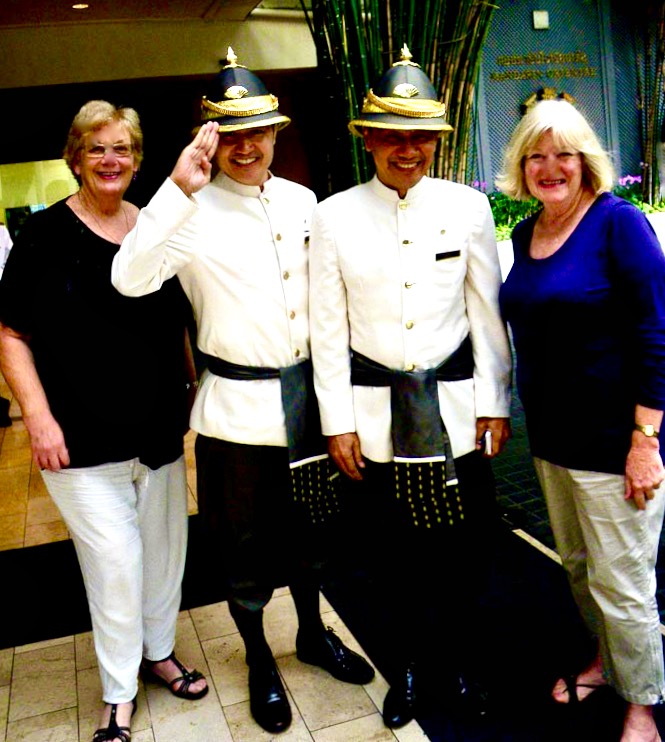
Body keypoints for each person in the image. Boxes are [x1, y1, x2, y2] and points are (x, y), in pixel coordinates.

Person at [111, 49, 374, 736]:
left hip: (306, 406)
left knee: (315, 535)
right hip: (234, 412)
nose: (246, 146)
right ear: (210, 140)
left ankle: (312, 634)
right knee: (244, 548)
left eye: (258, 131)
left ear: (277, 133)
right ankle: (260, 657)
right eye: (230, 134)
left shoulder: (302, 202)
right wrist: (174, 188)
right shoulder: (185, 213)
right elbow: (129, 278)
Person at [308, 45, 512, 729]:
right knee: (388, 559)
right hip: (371, 425)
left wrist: (494, 403)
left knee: (461, 554)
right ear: (366, 137)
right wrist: (335, 420)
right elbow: (327, 330)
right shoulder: (332, 216)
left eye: (420, 135)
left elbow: (487, 315)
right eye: (392, 134)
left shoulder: (467, 208)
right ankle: (412, 670)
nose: (406, 148)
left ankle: (458, 665)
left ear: (436, 141)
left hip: (454, 418)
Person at [0, 100, 208, 742]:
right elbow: (10, 333)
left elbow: (175, 319)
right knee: (115, 563)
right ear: (76, 158)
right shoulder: (40, 239)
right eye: (97, 149)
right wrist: (36, 416)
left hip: (157, 432)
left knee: (164, 557)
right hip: (79, 439)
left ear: (138, 160)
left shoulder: (156, 227)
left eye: (122, 148)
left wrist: (187, 387)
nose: (111, 160)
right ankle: (119, 694)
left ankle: (160, 653)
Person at [497, 98, 665, 742]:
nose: (550, 167)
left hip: (616, 443)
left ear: (585, 160)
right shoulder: (525, 232)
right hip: (553, 442)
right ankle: (604, 661)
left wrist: (645, 440)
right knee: (576, 567)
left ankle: (643, 706)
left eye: (563, 153)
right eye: (536, 156)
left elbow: (655, 334)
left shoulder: (618, 225)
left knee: (624, 583)